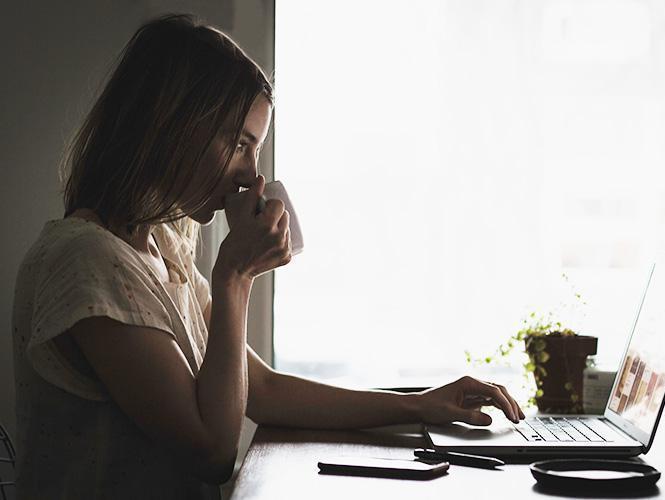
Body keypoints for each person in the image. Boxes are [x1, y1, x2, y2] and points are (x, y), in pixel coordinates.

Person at [11, 14, 524, 499]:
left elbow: (261, 387)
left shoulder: (162, 248)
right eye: (239, 144)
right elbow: (211, 449)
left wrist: (423, 404)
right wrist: (235, 274)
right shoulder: (87, 260)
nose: (250, 175)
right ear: (171, 127)